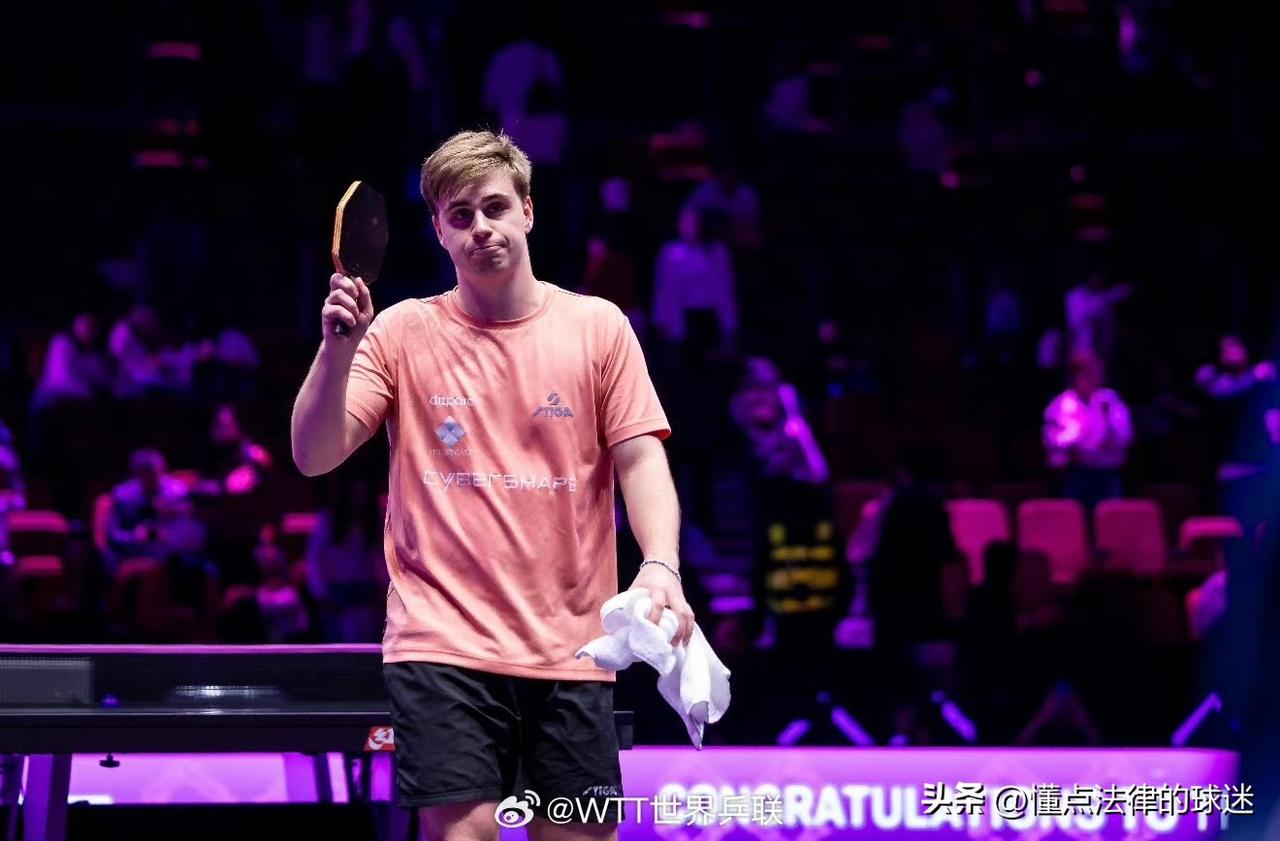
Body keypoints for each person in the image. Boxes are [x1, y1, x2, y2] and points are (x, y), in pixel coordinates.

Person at [291, 130, 690, 840]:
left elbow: (639, 459)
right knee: (465, 831)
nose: (481, 226)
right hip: (442, 644)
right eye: (461, 215)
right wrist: (336, 349)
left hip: (573, 649)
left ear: (527, 212)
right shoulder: (402, 332)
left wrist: (660, 564)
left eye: (495, 207)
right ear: (439, 231)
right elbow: (314, 455)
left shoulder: (598, 327)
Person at [1043, 350, 1134, 510]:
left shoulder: (1111, 400)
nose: (1093, 378)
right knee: (1074, 519)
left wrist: (1107, 423)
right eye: (1087, 373)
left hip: (1107, 474)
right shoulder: (1063, 404)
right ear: (1075, 376)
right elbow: (1052, 441)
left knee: (1110, 518)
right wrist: (1078, 437)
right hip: (1075, 475)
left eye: (1096, 372)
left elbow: (1125, 437)